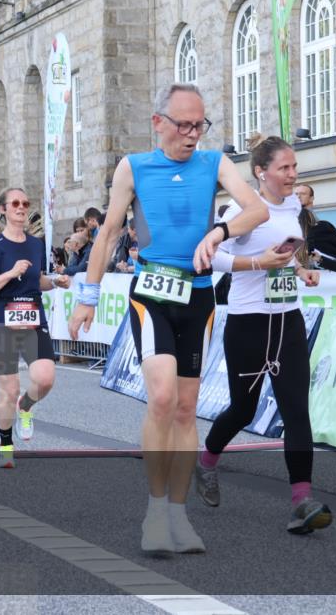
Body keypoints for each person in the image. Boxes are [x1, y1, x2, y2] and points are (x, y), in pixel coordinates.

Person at [69, 83, 268, 553]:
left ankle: (178, 516)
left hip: (197, 298)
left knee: (184, 407)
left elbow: (256, 208)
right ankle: (155, 512)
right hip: (152, 294)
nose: (193, 134)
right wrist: (88, 295)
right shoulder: (132, 167)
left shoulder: (214, 162)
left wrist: (220, 231)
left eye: (200, 124)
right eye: (184, 125)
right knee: (160, 397)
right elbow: (109, 232)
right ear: (158, 122)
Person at [194, 134, 332, 535]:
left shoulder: (292, 204)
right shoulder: (239, 209)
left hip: (287, 320)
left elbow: (285, 254)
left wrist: (298, 269)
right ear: (261, 172)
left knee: (296, 410)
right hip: (248, 322)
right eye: (284, 168)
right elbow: (211, 257)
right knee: (244, 409)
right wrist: (258, 263)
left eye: (294, 167)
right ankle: (206, 462)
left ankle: (301, 500)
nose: (293, 174)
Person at [0, 187, 70, 468]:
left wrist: (54, 281)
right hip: (0, 320)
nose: (21, 207)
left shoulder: (36, 244)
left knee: (45, 378)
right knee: (9, 387)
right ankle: (5, 444)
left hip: (32, 315)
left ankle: (25, 407)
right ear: (3, 210)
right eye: (15, 203)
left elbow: (36, 280)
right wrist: (10, 272)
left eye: (25, 203)